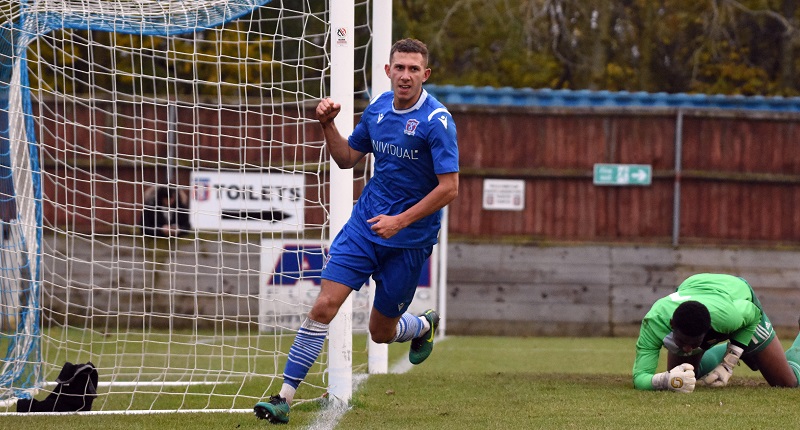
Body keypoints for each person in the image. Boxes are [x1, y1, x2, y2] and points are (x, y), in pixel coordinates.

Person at [254, 38, 459, 424]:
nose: (405, 75)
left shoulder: (437, 122)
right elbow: (347, 158)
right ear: (387, 70)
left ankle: (421, 325)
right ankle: (283, 397)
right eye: (399, 67)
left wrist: (400, 221)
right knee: (323, 306)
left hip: (409, 241)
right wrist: (328, 125)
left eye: (414, 69)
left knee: (380, 333)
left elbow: (450, 188)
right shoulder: (379, 108)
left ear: (425, 75)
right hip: (364, 227)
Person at [632, 273, 800, 392]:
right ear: (671, 325)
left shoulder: (729, 317)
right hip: (696, 288)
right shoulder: (653, 323)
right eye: (682, 341)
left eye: (695, 343)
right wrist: (665, 380)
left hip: (738, 297)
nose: (688, 349)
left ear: (709, 331)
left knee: (787, 382)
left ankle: (742, 347)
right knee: (685, 375)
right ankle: (743, 350)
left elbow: (753, 314)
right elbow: (640, 376)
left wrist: (729, 363)